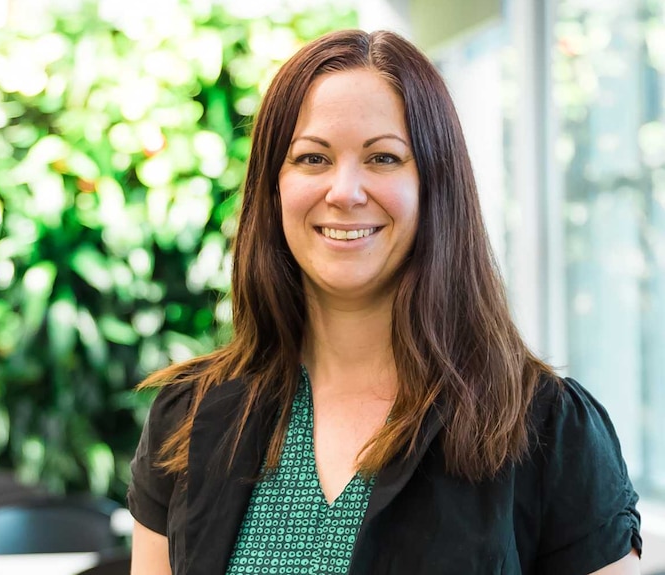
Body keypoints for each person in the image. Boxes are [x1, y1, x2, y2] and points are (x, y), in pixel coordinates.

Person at [127, 29, 642, 575]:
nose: (345, 191)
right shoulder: (187, 417)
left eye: (383, 158)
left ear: (436, 185)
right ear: (272, 186)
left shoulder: (548, 430)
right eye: (312, 158)